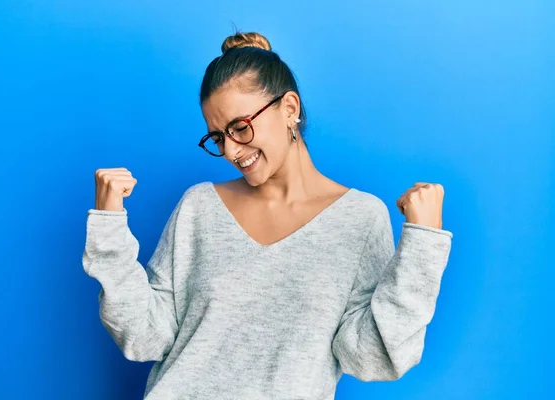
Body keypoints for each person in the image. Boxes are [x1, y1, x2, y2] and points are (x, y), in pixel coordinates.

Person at [82, 31, 453, 400]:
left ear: (290, 108)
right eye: (217, 137)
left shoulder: (359, 218)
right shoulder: (199, 207)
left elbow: (371, 358)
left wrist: (424, 244)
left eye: (240, 127)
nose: (230, 150)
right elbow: (146, 336)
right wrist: (108, 229)